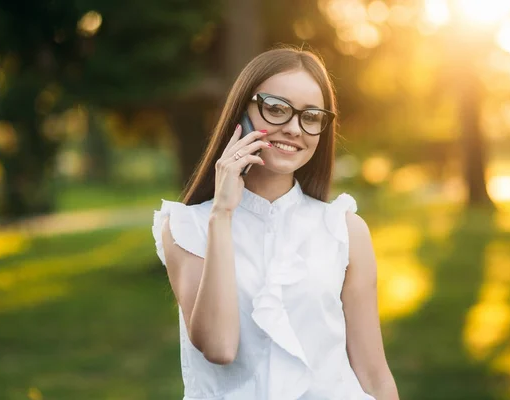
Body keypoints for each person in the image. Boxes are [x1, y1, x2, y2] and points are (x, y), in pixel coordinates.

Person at [152, 46, 399, 400]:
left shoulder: (345, 231)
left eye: (311, 116)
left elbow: (374, 376)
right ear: (242, 111)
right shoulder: (185, 226)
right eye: (276, 109)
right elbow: (219, 347)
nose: (294, 128)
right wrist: (221, 215)